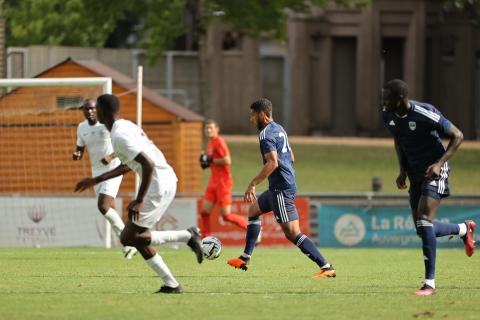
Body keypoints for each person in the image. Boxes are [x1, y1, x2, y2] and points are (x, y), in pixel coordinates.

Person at [74, 94, 204, 294]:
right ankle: (171, 284)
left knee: (128, 238)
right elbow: (129, 164)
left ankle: (187, 235)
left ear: (102, 112)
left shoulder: (118, 136)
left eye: (96, 108)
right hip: (164, 180)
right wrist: (95, 180)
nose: (92, 112)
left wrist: (139, 200)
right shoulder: (124, 126)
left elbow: (147, 164)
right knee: (136, 236)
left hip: (157, 185)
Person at [382, 79, 475, 296]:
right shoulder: (388, 115)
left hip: (435, 169)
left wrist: (439, 163)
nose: (383, 102)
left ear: (401, 99)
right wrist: (402, 170)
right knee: (421, 228)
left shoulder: (425, 113)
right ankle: (463, 229)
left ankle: (429, 284)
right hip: (414, 173)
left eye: (387, 98)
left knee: (424, 220)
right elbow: (399, 139)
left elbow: (458, 135)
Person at [227, 98, 335, 279]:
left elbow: (272, 162)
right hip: (280, 185)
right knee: (253, 210)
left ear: (262, 114)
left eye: (253, 115)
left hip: (280, 189)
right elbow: (291, 156)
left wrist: (253, 183)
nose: (251, 119)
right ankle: (245, 258)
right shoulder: (279, 128)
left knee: (293, 233)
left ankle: (326, 267)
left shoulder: (265, 135)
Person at [73, 99, 136, 259]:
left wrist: (111, 156)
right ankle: (130, 244)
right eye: (86, 109)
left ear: (97, 109)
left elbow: (122, 144)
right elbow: (80, 148)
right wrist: (77, 155)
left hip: (113, 169)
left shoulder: (107, 125)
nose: (90, 112)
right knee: (109, 210)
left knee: (102, 206)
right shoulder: (81, 128)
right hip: (96, 172)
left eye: (93, 109)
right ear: (83, 111)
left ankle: (128, 241)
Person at [199, 119, 247, 237]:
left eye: (211, 128)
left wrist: (210, 160)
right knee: (204, 212)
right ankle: (206, 240)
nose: (208, 130)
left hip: (223, 182)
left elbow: (227, 160)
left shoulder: (219, 141)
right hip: (213, 181)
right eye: (207, 128)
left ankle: (253, 229)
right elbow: (212, 162)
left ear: (217, 130)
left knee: (226, 216)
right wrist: (205, 163)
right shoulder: (210, 144)